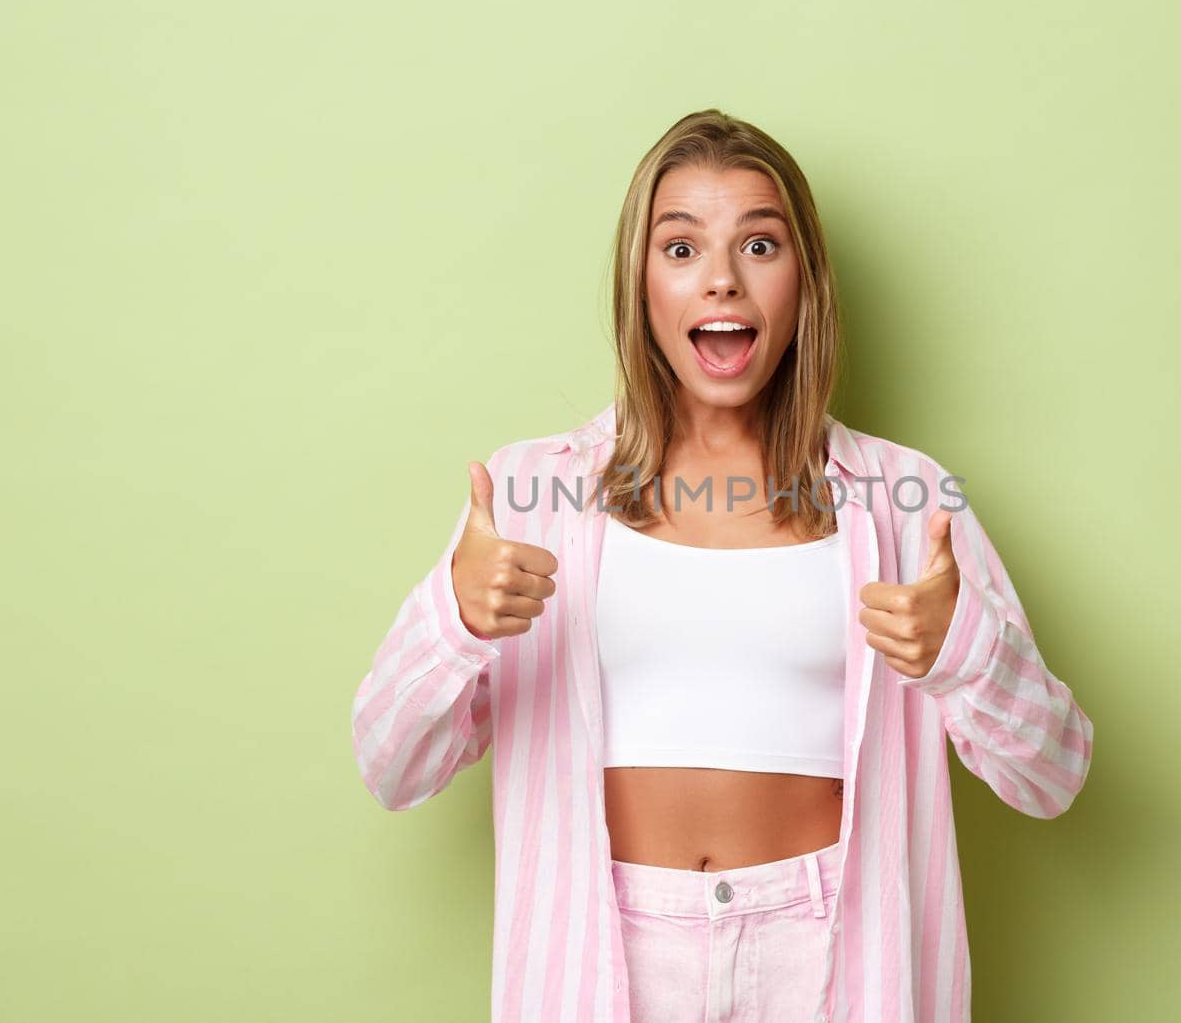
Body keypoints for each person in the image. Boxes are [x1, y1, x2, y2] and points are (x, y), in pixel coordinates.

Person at [351, 108, 1095, 1022]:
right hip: (605, 949)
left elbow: (1054, 774)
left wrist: (965, 649)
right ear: (641, 286)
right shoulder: (532, 493)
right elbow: (390, 765)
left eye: (759, 244)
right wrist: (454, 619)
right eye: (679, 248)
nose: (720, 279)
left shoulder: (908, 499)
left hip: (828, 951)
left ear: (804, 281)